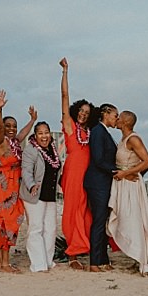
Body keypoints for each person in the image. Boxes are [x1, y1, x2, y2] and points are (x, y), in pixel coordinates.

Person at [107, 111, 148, 276]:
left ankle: (146, 259)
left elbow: (147, 161)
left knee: (134, 221)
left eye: (119, 117)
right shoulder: (123, 139)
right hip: (122, 184)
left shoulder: (133, 139)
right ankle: (138, 257)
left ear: (126, 122)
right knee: (126, 221)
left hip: (130, 186)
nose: (117, 119)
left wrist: (129, 173)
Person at [58, 58, 98, 270]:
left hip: (88, 173)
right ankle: (73, 253)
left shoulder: (90, 132)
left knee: (87, 211)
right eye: (80, 111)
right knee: (73, 210)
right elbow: (64, 97)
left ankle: (87, 247)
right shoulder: (70, 126)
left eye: (86, 113)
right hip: (73, 172)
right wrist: (65, 72)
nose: (83, 114)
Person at [0, 90, 33, 273]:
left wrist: (32, 120)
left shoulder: (14, 142)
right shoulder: (0, 141)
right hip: (2, 185)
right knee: (6, 222)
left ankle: (0, 261)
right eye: (8, 125)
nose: (11, 128)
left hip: (14, 185)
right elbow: (0, 128)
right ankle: (5, 263)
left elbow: (22, 133)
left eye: (13, 126)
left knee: (4, 223)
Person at [20, 121, 62, 273]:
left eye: (46, 132)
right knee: (36, 228)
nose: (44, 136)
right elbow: (26, 171)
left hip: (50, 194)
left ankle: (47, 260)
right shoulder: (30, 150)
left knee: (50, 229)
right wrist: (31, 185)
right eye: (40, 133)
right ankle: (38, 264)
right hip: (34, 194)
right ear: (35, 135)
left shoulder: (53, 149)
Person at [84, 103, 119, 272]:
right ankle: (94, 262)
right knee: (98, 221)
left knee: (102, 220)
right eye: (115, 115)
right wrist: (116, 170)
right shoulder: (98, 131)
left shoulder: (103, 131)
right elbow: (98, 159)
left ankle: (103, 259)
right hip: (98, 183)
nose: (116, 119)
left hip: (102, 182)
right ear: (106, 114)